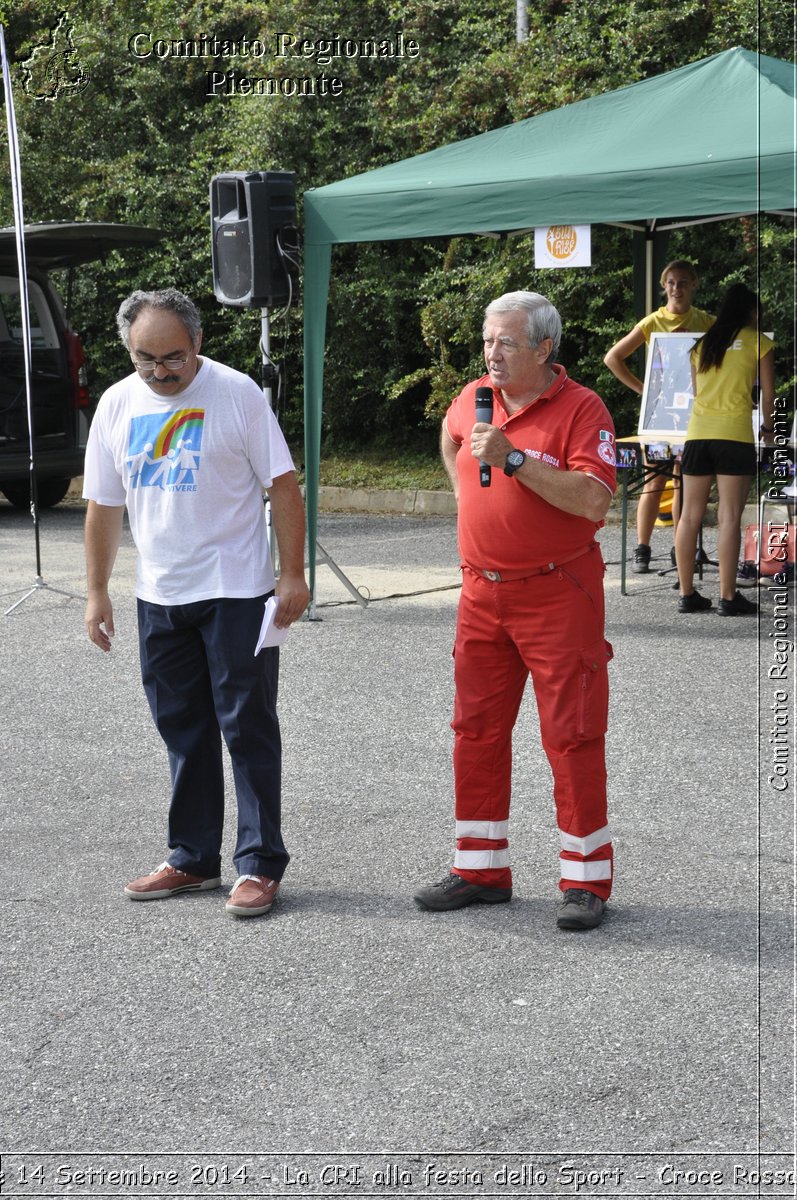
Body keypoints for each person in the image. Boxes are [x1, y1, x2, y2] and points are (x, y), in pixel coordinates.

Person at [83, 288, 310, 918]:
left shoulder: (236, 394)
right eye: (145, 359)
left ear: (198, 343)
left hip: (236, 590)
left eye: (173, 357)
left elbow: (283, 486)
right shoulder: (115, 405)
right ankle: (191, 858)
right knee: (182, 730)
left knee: (248, 727)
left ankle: (259, 864)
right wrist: (98, 589)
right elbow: (104, 505)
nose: (160, 371)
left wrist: (291, 574)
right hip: (159, 595)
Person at [414, 291, 616, 931]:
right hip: (482, 594)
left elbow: (591, 501)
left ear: (544, 349)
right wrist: (464, 491)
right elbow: (452, 440)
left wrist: (514, 460)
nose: (491, 354)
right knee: (474, 730)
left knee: (571, 734)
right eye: (486, 340)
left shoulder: (583, 409)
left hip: (557, 594)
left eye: (505, 342)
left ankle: (586, 882)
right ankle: (480, 870)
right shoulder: (475, 396)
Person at [604, 260, 714, 572]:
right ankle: (643, 548)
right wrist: (645, 391)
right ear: (663, 287)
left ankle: (684, 548)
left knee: (685, 482)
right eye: (671, 283)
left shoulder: (706, 321)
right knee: (655, 479)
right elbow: (612, 358)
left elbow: (734, 349)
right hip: (662, 414)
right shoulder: (653, 321)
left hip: (697, 413)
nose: (676, 289)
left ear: (693, 284)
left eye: (683, 283)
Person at [674, 283, 775, 616]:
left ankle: (688, 595)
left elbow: (696, 391)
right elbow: (768, 396)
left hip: (698, 435)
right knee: (728, 517)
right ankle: (728, 597)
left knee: (689, 516)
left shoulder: (702, 345)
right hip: (734, 435)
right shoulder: (759, 342)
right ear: (750, 311)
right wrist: (767, 429)